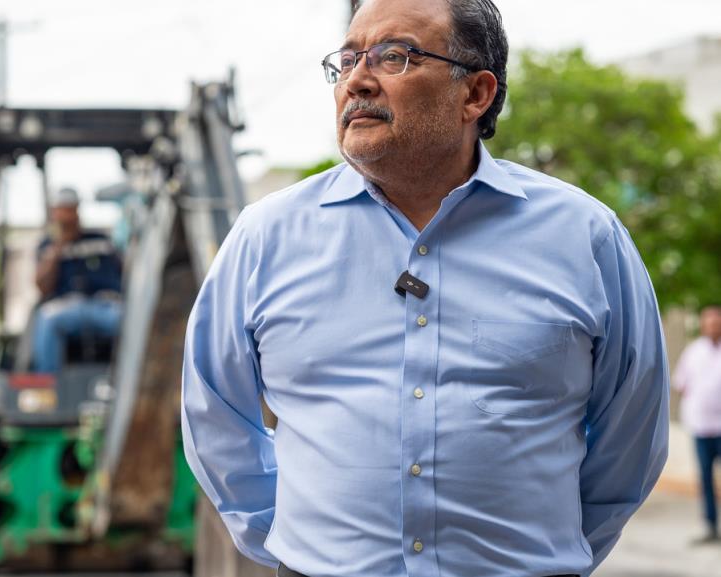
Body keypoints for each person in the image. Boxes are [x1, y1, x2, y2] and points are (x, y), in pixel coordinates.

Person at [180, 1, 669, 576]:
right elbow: (214, 411)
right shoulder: (266, 236)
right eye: (346, 60)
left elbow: (630, 432)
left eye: (395, 56)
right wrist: (294, 542)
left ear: (476, 95)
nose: (358, 81)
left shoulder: (585, 237)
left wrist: (542, 554)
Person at [31, 187, 123, 374]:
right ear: (54, 214)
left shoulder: (101, 240)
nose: (67, 217)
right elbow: (42, 286)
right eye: (61, 211)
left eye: (70, 210)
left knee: (130, 320)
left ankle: (128, 380)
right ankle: (48, 385)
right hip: (67, 308)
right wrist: (59, 246)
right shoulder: (47, 247)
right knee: (48, 320)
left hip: (105, 306)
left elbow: (123, 274)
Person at [674, 305, 721, 545]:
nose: (713, 326)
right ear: (703, 325)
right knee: (705, 479)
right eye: (709, 322)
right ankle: (710, 526)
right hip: (701, 427)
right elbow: (680, 383)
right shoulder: (693, 351)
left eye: (717, 322)